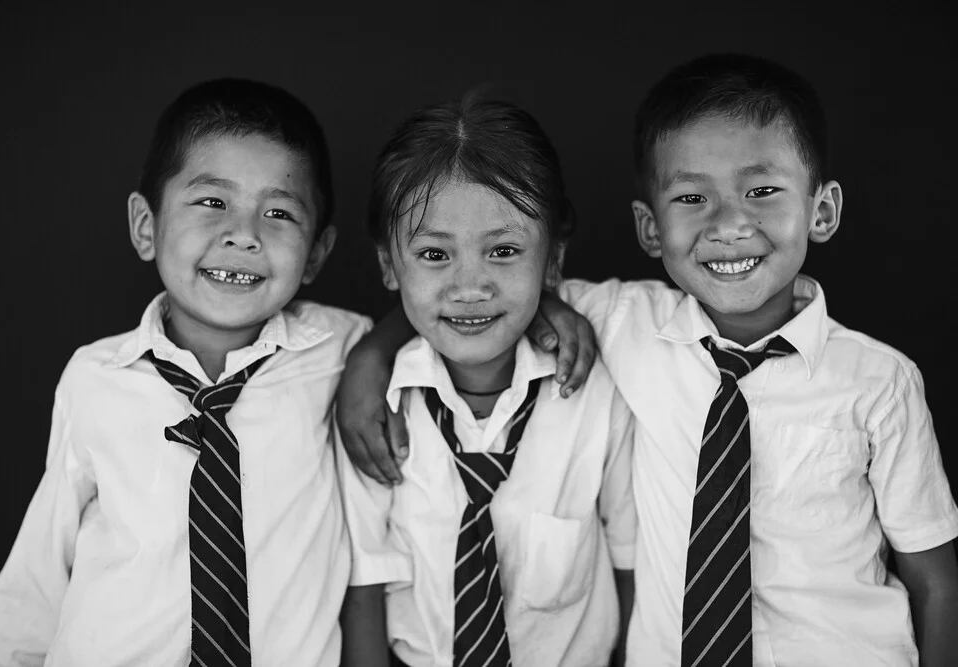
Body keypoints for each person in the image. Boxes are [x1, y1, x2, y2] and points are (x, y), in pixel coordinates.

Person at [335, 54, 958, 666]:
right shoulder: (629, 324)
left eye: (762, 190)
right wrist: (372, 357)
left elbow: (933, 578)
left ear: (821, 210)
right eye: (692, 197)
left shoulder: (881, 383)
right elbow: (478, 298)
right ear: (650, 228)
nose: (731, 223)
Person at [0, 79, 370, 666]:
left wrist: (549, 315)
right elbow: (41, 568)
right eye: (212, 201)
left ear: (316, 254)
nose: (244, 234)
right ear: (146, 225)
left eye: (279, 212)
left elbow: (431, 316)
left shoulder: (339, 350)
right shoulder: (96, 377)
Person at [336, 94, 636, 667]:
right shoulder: (374, 409)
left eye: (503, 251)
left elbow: (630, 561)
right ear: (386, 265)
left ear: (553, 262)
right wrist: (373, 354)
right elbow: (365, 583)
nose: (470, 286)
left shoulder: (598, 393)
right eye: (432, 254)